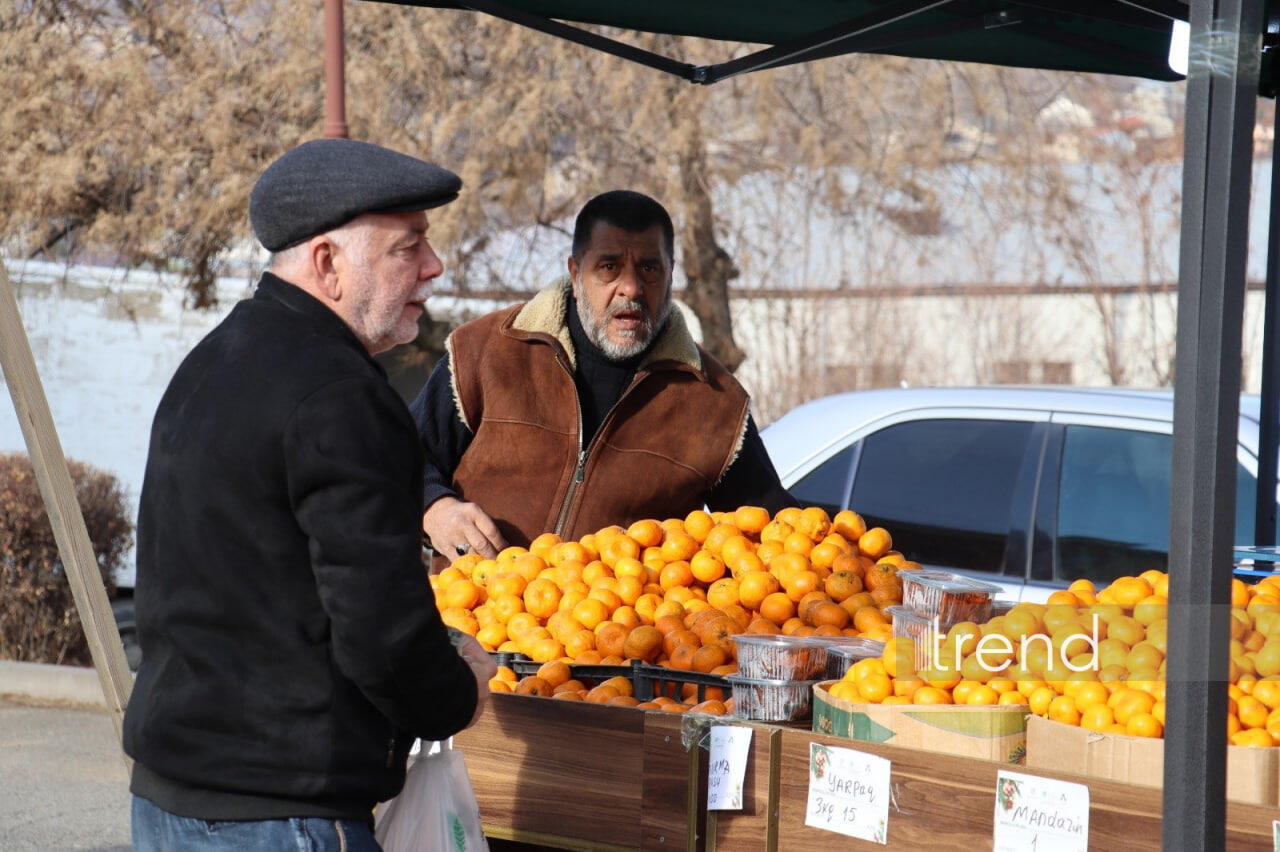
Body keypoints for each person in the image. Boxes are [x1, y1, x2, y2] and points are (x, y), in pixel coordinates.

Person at [123, 138, 496, 851]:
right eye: (407, 246)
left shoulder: (213, 360)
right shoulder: (341, 397)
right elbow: (379, 627)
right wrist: (456, 693)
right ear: (327, 264)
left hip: (172, 798)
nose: (434, 266)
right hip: (277, 812)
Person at [411, 189, 796, 566]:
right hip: (471, 623)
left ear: (671, 275)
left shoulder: (715, 402)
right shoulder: (487, 351)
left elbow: (770, 530)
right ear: (575, 275)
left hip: (626, 628)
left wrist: (853, 532)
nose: (631, 287)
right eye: (609, 267)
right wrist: (434, 507)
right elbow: (397, 455)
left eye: (649, 268)